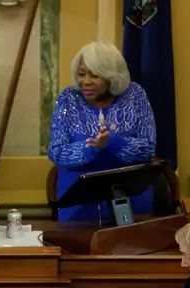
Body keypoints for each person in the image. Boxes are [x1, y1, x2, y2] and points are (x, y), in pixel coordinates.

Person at [48, 41, 156, 221]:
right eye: (81, 74)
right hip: (79, 207)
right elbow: (56, 152)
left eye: (95, 75)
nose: (85, 81)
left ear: (112, 77)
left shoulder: (135, 95)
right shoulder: (69, 98)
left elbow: (147, 149)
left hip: (131, 203)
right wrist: (91, 147)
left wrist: (113, 142)